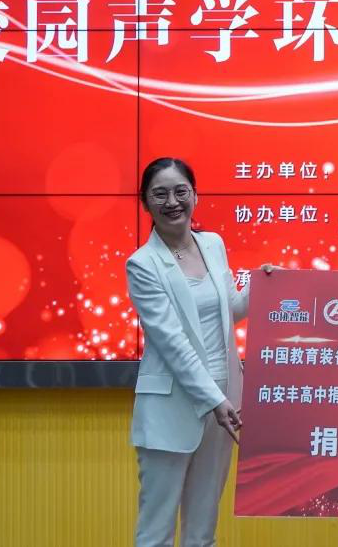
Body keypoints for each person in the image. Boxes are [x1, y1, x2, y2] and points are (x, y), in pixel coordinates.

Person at [126, 157, 274, 547]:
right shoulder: (142, 265)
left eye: (181, 192)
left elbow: (229, 311)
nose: (172, 202)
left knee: (203, 528)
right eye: (160, 194)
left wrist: (263, 287)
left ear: (195, 195)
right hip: (173, 406)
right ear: (145, 202)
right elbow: (172, 343)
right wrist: (213, 400)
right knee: (156, 531)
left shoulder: (212, 244)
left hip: (226, 400)